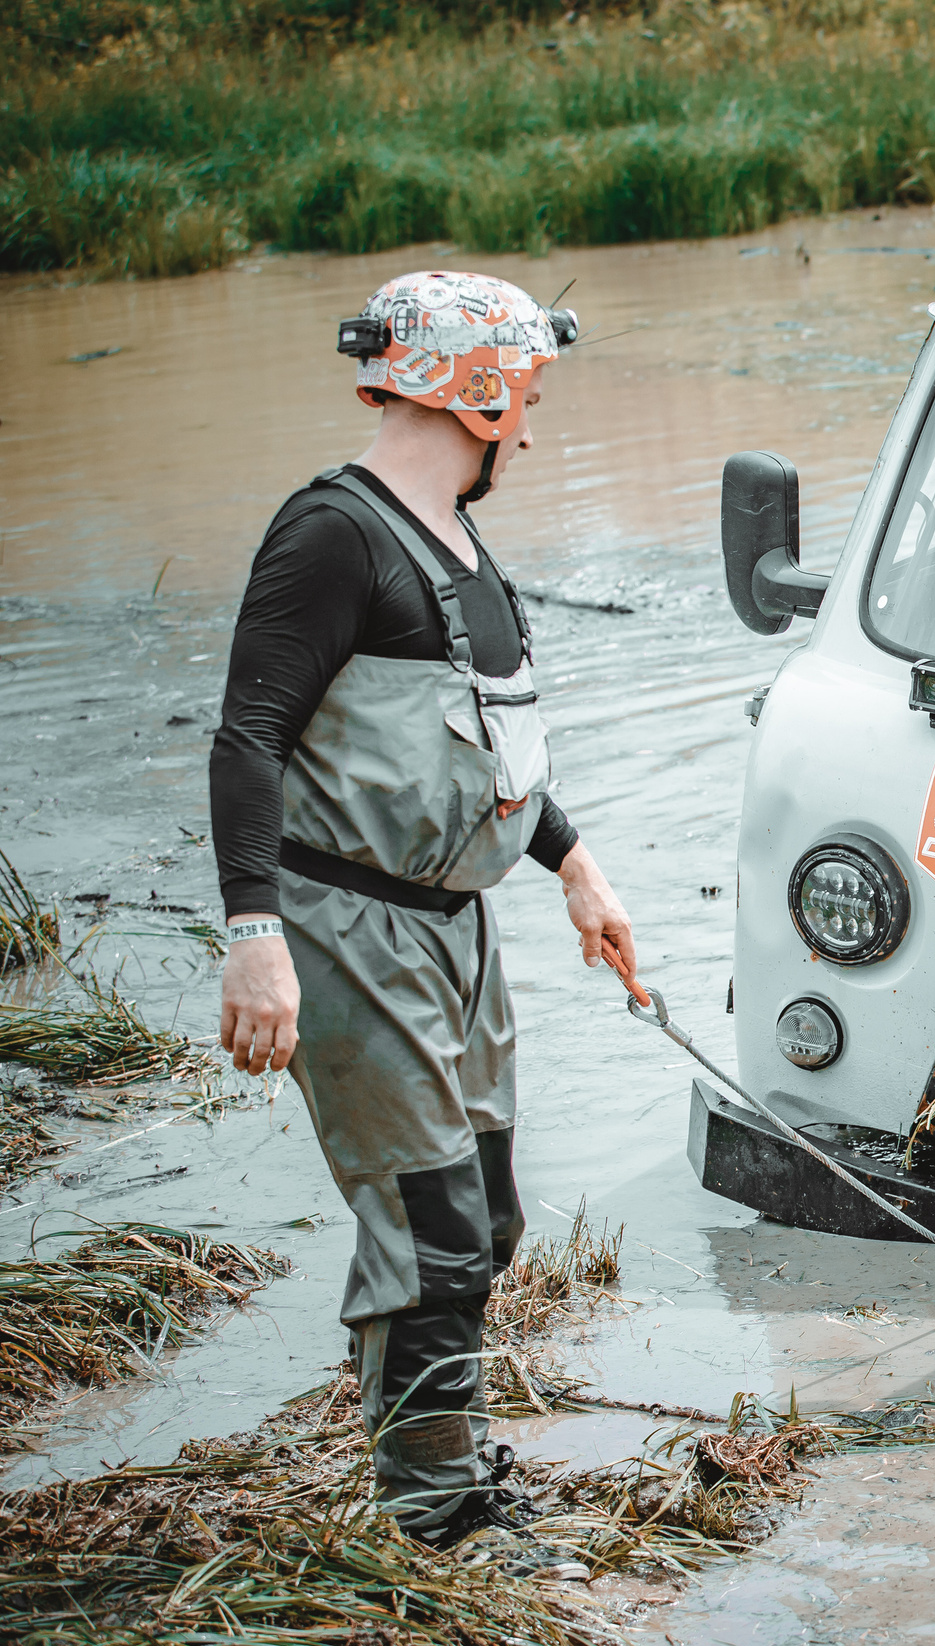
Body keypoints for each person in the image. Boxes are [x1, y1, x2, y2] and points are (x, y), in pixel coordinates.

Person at [210, 271, 636, 1545]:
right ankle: (435, 1517)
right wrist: (253, 937)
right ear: (479, 383)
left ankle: (421, 1437)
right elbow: (248, 741)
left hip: (456, 926)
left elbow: (484, 738)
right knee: (435, 1227)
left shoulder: (449, 527)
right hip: (347, 926)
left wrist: (571, 861)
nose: (535, 417)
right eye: (531, 391)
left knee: (481, 1210)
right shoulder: (331, 534)